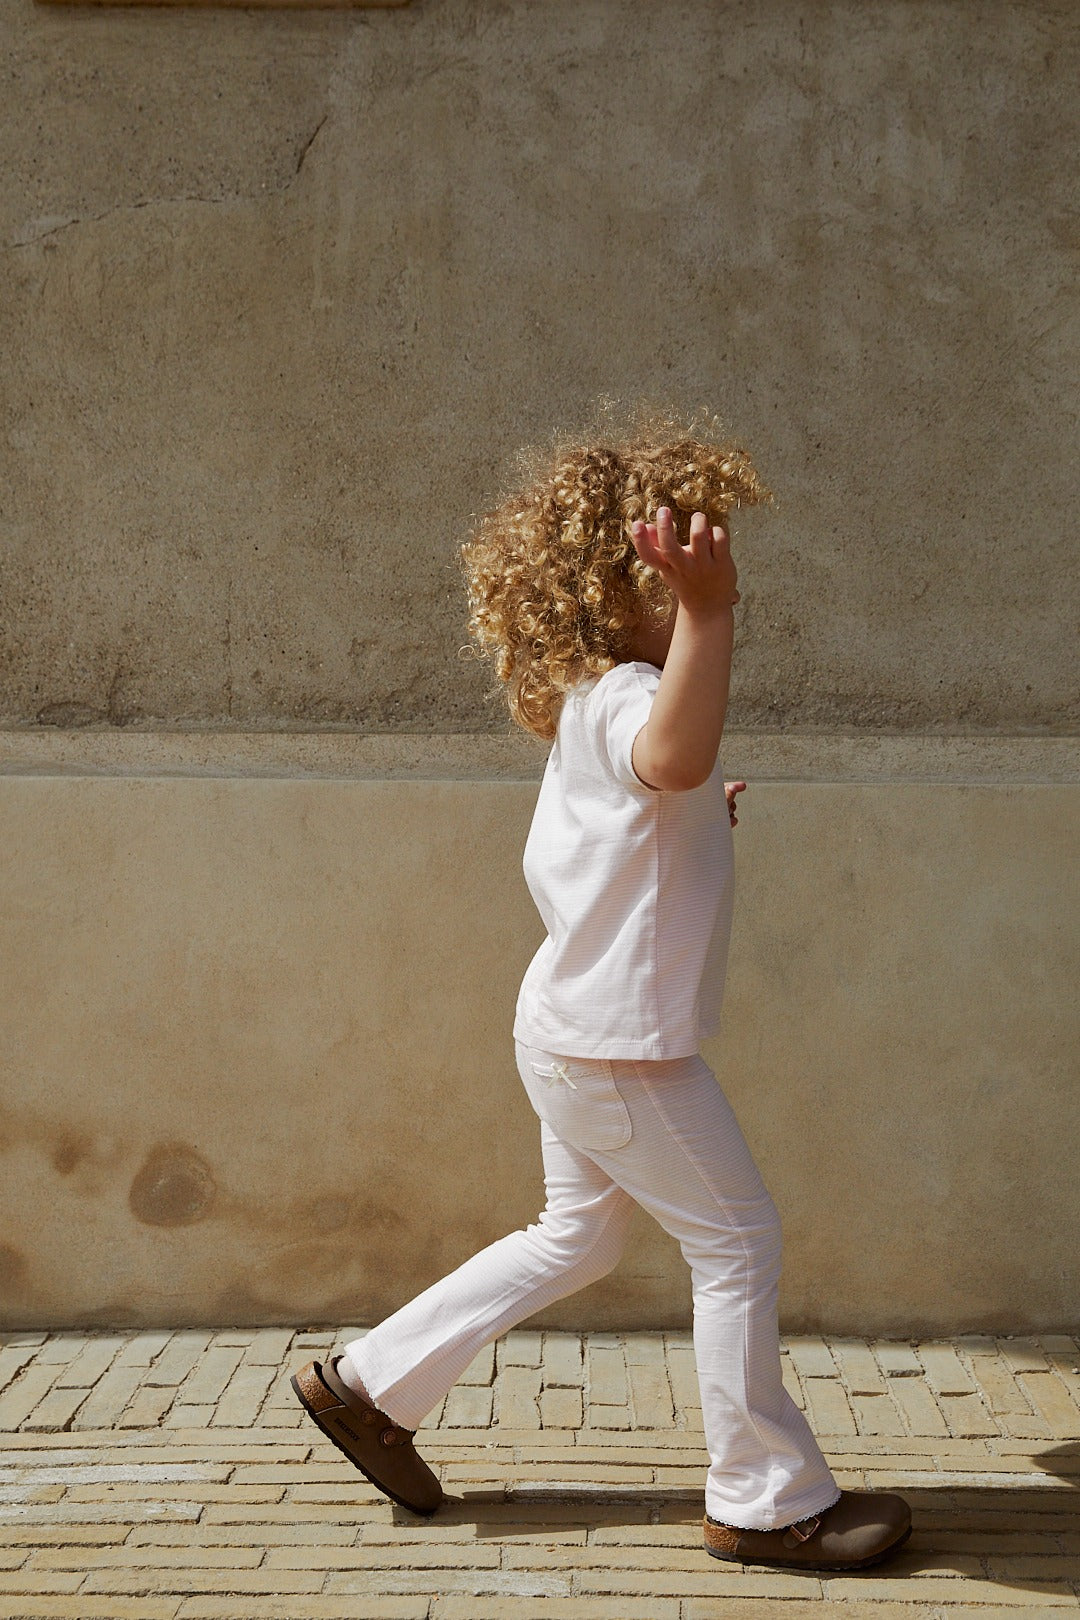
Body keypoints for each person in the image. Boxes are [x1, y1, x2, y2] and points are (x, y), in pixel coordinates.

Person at [290, 405, 912, 1572]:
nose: (700, 580)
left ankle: (371, 1384)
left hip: (572, 1032)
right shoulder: (627, 699)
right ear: (620, 581)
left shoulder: (594, 704)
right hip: (620, 1050)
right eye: (678, 566)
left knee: (576, 1237)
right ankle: (769, 1501)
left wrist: (691, 822)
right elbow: (670, 755)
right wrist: (712, 615)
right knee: (738, 1243)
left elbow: (636, 812)